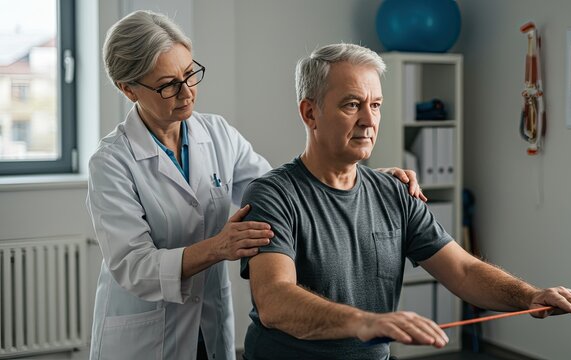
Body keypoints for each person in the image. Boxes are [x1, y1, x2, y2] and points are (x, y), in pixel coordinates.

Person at [87, 11, 424, 360]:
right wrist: (218, 248)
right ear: (128, 89)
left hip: (209, 323)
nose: (187, 92)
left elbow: (284, 192)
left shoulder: (216, 134)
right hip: (145, 335)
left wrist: (359, 178)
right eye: (168, 85)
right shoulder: (112, 162)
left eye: (190, 74)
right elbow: (133, 266)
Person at [239, 43, 571, 360]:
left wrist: (530, 296)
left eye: (376, 105)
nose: (369, 120)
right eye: (352, 105)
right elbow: (275, 300)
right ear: (310, 113)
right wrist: (365, 321)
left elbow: (462, 271)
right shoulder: (273, 195)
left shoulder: (394, 191)